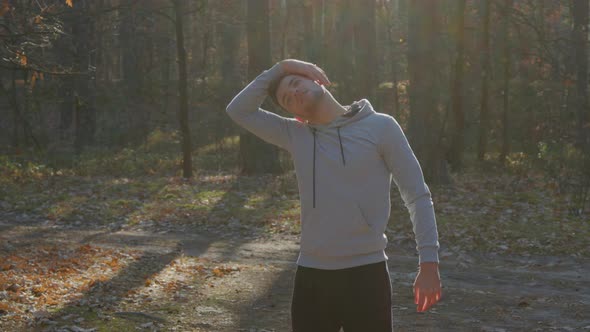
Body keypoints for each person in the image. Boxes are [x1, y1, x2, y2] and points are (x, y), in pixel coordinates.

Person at [225, 59, 442, 332]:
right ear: (296, 115)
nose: (294, 94)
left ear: (316, 80)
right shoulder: (295, 134)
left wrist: (429, 263)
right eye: (286, 99)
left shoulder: (381, 127)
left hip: (367, 274)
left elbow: (417, 196)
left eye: (295, 84)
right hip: (312, 277)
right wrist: (281, 68)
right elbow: (238, 110)